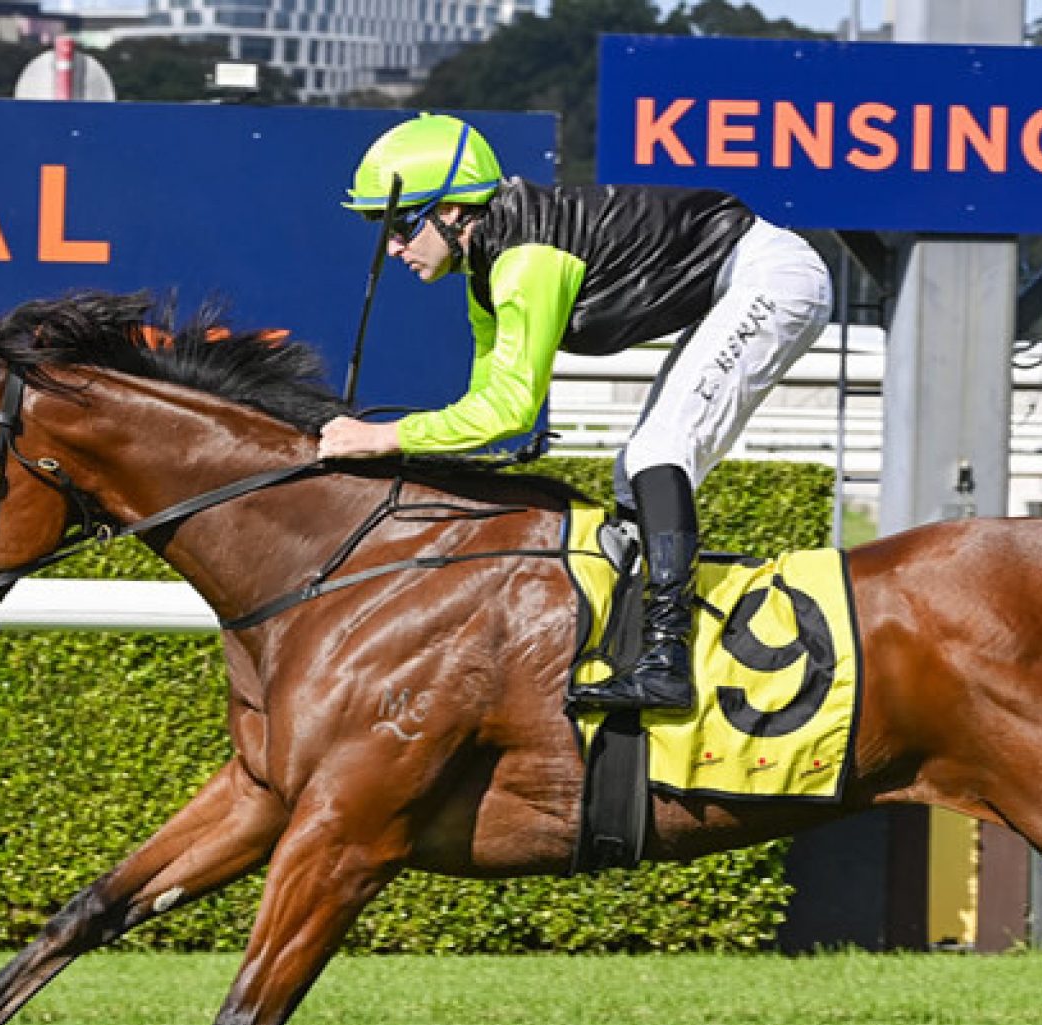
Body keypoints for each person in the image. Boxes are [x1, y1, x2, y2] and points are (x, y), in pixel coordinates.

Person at [319, 113, 832, 713]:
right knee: (631, 475)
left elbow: (507, 413)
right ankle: (631, 643)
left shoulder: (525, 261)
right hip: (733, 282)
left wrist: (380, 439)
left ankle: (668, 661)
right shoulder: (484, 275)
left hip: (772, 277)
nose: (394, 247)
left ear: (453, 210)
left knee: (658, 454)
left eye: (401, 225)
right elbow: (482, 408)